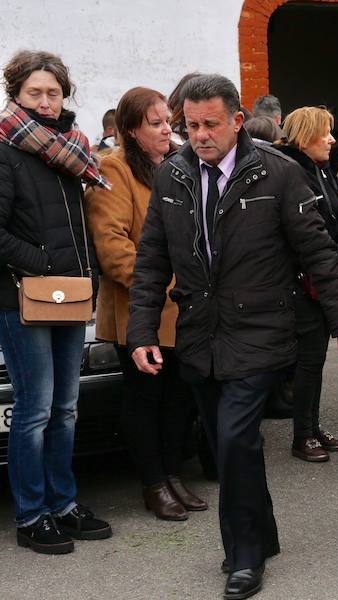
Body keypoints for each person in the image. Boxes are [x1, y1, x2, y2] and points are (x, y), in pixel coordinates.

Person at [127, 74, 338, 599]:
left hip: (260, 329)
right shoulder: (173, 176)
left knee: (236, 437)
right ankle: (265, 532)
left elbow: (319, 256)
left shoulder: (278, 174)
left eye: (210, 124)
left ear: (237, 120)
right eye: (190, 125)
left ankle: (244, 553)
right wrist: (142, 330)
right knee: (226, 444)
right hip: (198, 331)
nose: (200, 135)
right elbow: (151, 260)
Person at [0, 49, 112, 554]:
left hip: (70, 294)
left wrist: (81, 270)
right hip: (21, 296)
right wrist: (47, 266)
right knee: (34, 409)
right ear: (16, 95)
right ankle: (31, 514)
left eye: (53, 92)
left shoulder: (72, 151)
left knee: (66, 406)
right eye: (34, 93)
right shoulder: (5, 148)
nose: (45, 102)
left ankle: (63, 504)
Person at [84, 86, 207, 522]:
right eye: (155, 124)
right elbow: (112, 247)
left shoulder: (175, 166)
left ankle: (172, 474)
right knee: (145, 397)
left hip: (184, 307)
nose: (166, 130)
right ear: (131, 130)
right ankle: (153, 483)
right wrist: (168, 282)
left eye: (167, 122)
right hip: (142, 308)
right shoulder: (111, 169)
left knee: (179, 396)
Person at [275, 107, 338, 462]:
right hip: (301, 282)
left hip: (318, 278)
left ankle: (313, 428)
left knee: (314, 360)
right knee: (308, 361)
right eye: (326, 133)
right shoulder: (293, 172)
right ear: (306, 136)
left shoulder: (318, 170)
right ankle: (302, 435)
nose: (333, 140)